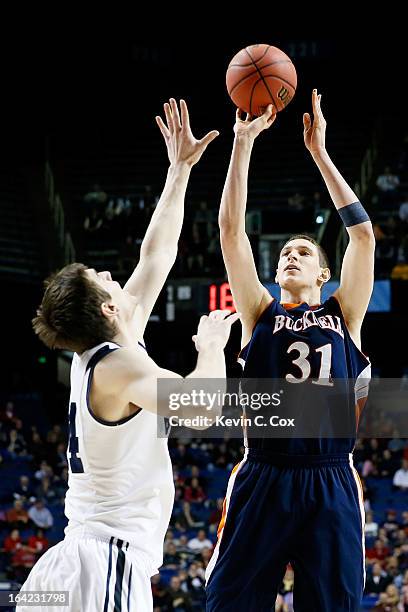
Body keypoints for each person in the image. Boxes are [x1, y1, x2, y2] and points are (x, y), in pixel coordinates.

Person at [20, 99, 239, 612]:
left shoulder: (109, 349)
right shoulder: (119, 367)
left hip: (75, 561)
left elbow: (156, 255)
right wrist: (210, 351)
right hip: (104, 561)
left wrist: (179, 170)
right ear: (106, 305)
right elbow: (202, 409)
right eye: (104, 277)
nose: (113, 275)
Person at [205, 90, 375, 611]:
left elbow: (363, 236)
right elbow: (231, 232)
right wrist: (241, 144)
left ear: (325, 274)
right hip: (264, 470)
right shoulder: (260, 312)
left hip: (330, 474)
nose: (290, 256)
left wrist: (320, 154)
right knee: (230, 601)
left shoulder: (344, 314)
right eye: (284, 252)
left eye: (303, 251)